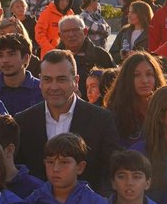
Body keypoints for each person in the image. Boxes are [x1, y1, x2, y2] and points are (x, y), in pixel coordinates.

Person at [16, 47, 122, 190]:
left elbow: (109, 171)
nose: (54, 87)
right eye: (47, 79)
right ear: (40, 81)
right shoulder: (24, 121)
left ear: (76, 81)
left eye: (61, 79)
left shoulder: (101, 120)